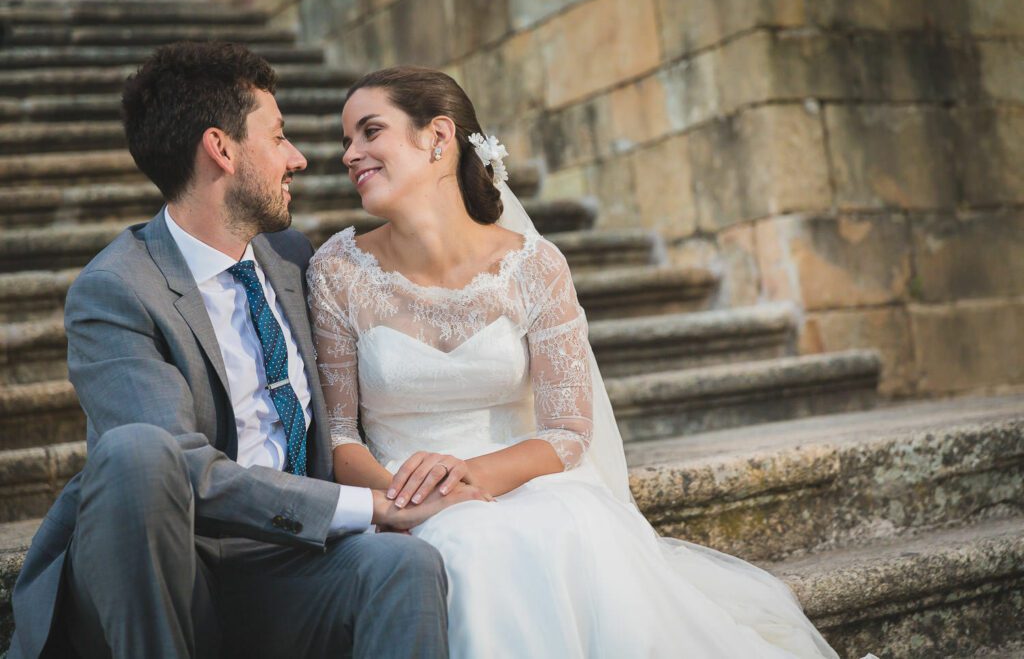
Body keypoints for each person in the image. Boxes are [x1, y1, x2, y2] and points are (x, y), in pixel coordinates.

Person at [307, 66, 846, 658]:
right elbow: (338, 434)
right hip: (403, 497)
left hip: (526, 484)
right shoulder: (339, 271)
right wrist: (404, 502)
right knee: (468, 548)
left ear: (438, 136)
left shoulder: (535, 267)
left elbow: (567, 432)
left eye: (369, 132)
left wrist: (471, 479)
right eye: (345, 141)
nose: (350, 154)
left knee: (573, 529)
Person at [8, 43, 485, 659]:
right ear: (222, 149)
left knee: (401, 564)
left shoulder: (296, 260)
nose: (299, 158)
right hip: (175, 567)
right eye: (278, 136)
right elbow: (175, 468)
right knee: (137, 451)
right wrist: (371, 504)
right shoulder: (118, 290)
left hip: (292, 569)